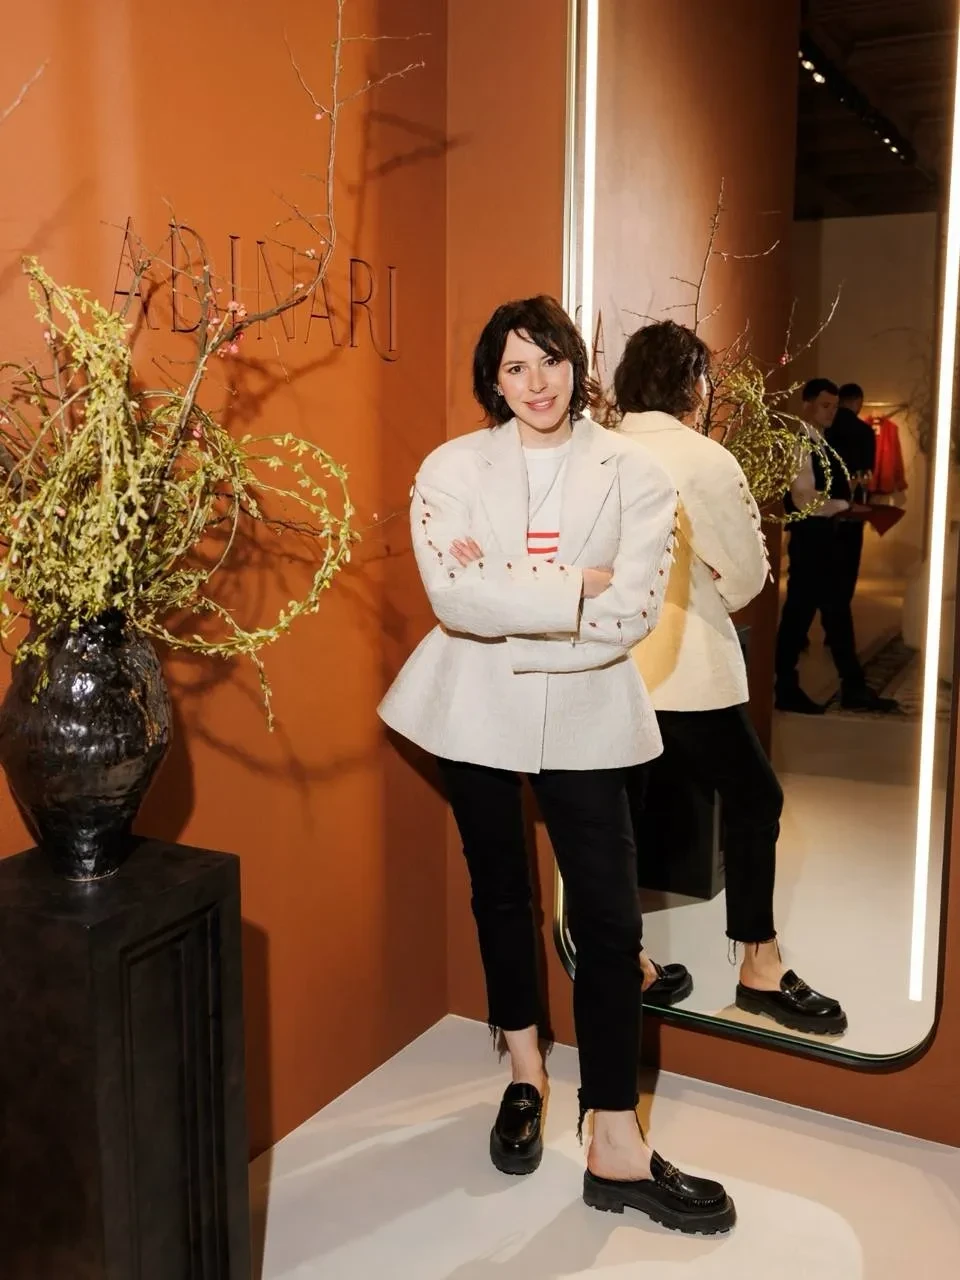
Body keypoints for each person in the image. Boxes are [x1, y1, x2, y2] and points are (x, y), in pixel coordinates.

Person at [379, 296, 736, 1234]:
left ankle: (614, 1140)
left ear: (577, 365)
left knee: (611, 922)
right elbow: (453, 599)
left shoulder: (636, 473)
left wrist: (509, 591)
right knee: (500, 890)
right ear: (491, 381)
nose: (535, 384)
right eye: (513, 367)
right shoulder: (451, 468)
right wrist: (575, 584)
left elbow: (630, 614)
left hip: (587, 713)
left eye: (549, 361)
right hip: (472, 709)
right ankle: (526, 1072)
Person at [613, 321, 847, 1036]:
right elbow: (745, 575)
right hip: (684, 668)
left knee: (617, 818)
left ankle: (627, 962)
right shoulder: (704, 459)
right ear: (694, 385)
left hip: (609, 670)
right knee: (755, 799)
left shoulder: (595, 449)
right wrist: (704, 582)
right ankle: (759, 965)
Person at [774, 378, 897, 714]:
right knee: (801, 614)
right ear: (808, 405)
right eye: (825, 406)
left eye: (833, 406)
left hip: (822, 539)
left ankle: (851, 685)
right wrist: (845, 506)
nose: (831, 412)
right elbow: (804, 498)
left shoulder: (821, 441)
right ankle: (788, 687)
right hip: (809, 540)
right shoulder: (802, 443)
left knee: (834, 612)